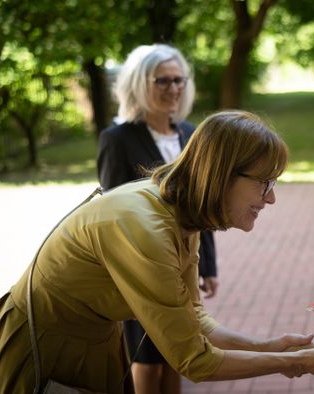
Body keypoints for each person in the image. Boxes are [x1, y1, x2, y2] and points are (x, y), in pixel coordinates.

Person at [0, 111, 314, 393]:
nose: (271, 197)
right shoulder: (146, 228)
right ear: (221, 175)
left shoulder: (181, 213)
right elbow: (194, 361)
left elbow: (192, 315)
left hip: (94, 342)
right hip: (42, 346)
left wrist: (266, 347)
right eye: (265, 182)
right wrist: (300, 362)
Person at [96, 43, 219, 393]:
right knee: (147, 360)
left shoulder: (189, 134)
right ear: (138, 84)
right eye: (162, 81)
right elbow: (114, 216)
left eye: (178, 80)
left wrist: (208, 266)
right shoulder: (116, 139)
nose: (174, 89)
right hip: (142, 267)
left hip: (183, 264)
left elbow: (201, 207)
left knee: (177, 355)